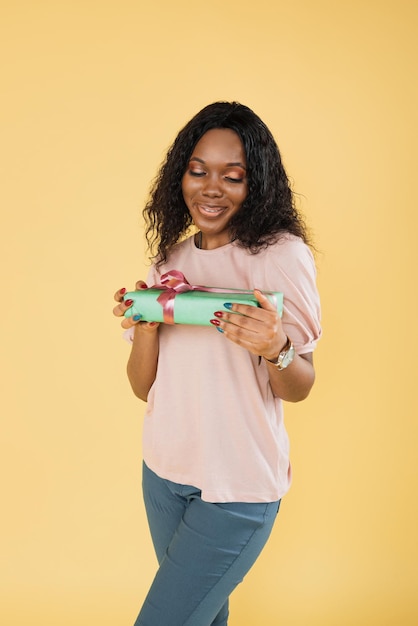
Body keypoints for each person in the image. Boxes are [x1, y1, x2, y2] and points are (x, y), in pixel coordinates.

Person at [113, 101, 321, 626]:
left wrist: (276, 347)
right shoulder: (171, 263)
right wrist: (146, 328)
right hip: (163, 476)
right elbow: (145, 387)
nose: (211, 188)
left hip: (237, 487)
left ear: (257, 184)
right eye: (197, 170)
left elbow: (299, 386)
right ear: (180, 174)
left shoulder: (282, 256)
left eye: (232, 177)